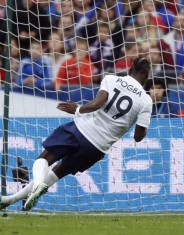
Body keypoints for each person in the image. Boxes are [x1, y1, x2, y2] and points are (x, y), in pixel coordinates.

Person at [0, 57, 152, 211]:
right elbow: (138, 137)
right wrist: (142, 127)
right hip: (96, 148)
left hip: (81, 130)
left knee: (43, 159)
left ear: (130, 69)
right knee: (56, 173)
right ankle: (10, 200)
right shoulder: (146, 101)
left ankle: (37, 186)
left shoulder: (112, 79)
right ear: (147, 76)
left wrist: (78, 110)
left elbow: (97, 104)